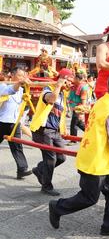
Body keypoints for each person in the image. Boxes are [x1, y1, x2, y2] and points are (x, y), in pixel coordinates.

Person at [48, 73, 109, 237]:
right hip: (96, 160)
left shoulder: (102, 101)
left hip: (101, 159)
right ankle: (57, 207)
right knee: (89, 197)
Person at [30, 68, 74, 196]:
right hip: (43, 130)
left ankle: (39, 170)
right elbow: (51, 99)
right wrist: (58, 85)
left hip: (55, 131)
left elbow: (61, 114)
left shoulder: (63, 95)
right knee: (51, 159)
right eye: (69, 81)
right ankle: (46, 186)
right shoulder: (48, 89)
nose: (71, 84)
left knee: (61, 157)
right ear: (63, 80)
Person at [0, 67, 32, 179]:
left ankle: (22, 169)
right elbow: (10, 91)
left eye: (23, 76)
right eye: (20, 76)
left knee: (17, 146)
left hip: (15, 122)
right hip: (2, 122)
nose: (22, 78)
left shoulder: (22, 89)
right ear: (12, 75)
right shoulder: (2, 86)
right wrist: (19, 83)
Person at [68, 72, 88, 140]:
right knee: (79, 123)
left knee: (73, 123)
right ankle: (90, 133)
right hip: (74, 107)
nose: (73, 79)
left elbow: (84, 101)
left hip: (78, 108)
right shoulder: (74, 86)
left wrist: (81, 112)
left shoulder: (83, 88)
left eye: (74, 78)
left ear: (77, 79)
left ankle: (73, 139)